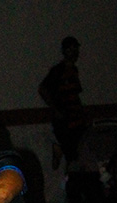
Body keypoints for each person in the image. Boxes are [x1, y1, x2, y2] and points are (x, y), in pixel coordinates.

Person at [39, 36, 87, 170]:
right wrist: (56, 109)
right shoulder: (58, 71)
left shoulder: (73, 70)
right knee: (71, 153)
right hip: (65, 118)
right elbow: (43, 89)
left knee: (77, 152)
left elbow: (75, 95)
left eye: (75, 49)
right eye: (71, 49)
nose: (74, 53)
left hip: (75, 117)